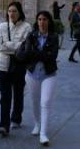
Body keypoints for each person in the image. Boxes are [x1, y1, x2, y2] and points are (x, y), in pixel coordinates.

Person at [17, 11, 59, 146]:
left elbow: (52, 56)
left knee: (45, 102)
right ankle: (37, 123)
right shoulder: (32, 35)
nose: (42, 22)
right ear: (37, 21)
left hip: (48, 74)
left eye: (45, 19)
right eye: (39, 19)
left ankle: (43, 134)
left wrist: (36, 54)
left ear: (49, 21)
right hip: (32, 73)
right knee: (35, 101)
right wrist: (42, 54)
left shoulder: (53, 37)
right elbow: (27, 53)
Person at [0, 1, 32, 137]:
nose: (11, 14)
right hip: (2, 66)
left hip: (19, 65)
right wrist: (15, 46)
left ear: (20, 12)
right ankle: (4, 125)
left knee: (18, 93)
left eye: (14, 11)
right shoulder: (2, 26)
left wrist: (7, 45)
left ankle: (16, 117)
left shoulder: (26, 27)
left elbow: (25, 47)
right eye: (9, 11)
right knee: (5, 96)